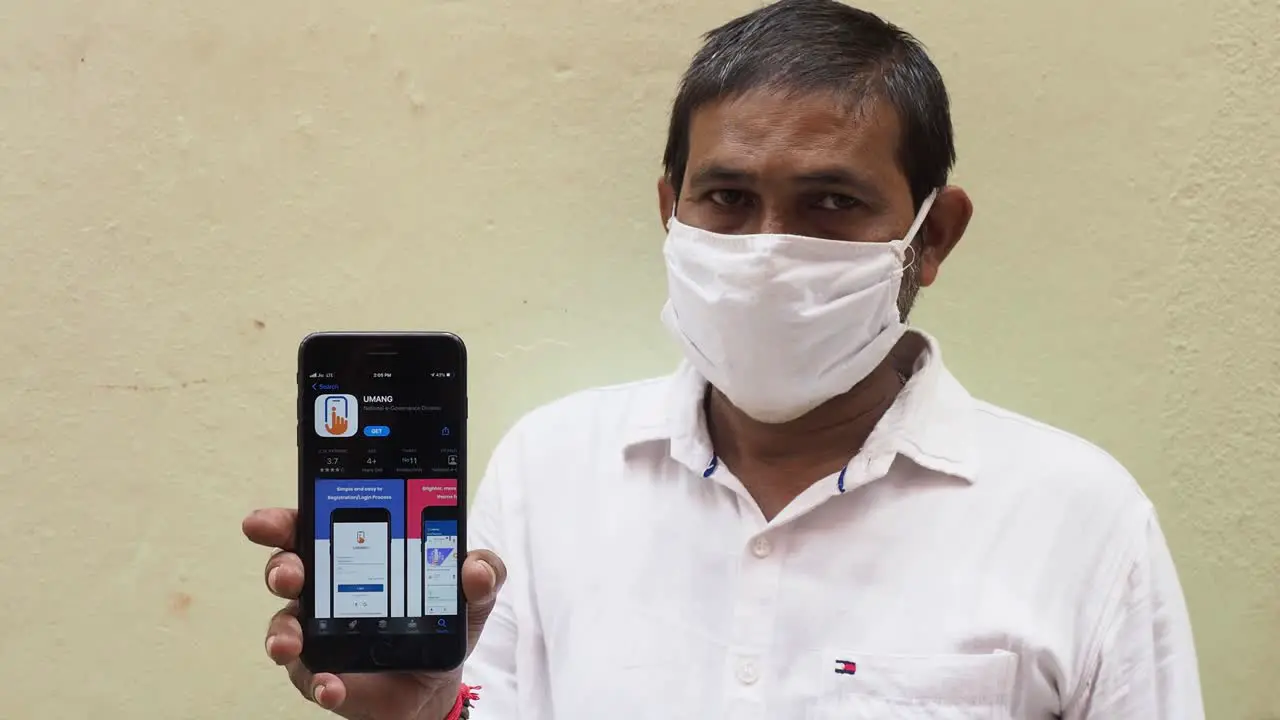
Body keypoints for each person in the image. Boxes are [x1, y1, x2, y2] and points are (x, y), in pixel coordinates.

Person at [243, 1, 1204, 717]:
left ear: (933, 236)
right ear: (672, 210)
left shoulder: (1079, 517)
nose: (767, 249)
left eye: (833, 203)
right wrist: (415, 710)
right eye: (728, 198)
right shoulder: (551, 470)